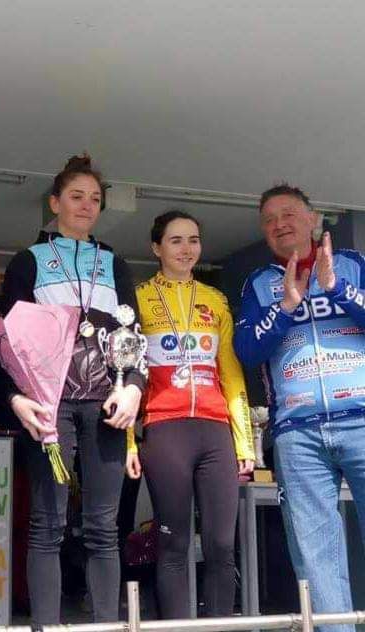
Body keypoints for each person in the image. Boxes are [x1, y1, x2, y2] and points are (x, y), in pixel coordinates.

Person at [0, 154, 145, 629]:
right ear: (55, 203)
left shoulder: (114, 263)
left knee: (104, 527)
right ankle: (45, 625)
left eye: (95, 199)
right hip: (51, 405)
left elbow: (132, 335)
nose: (86, 206)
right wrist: (18, 397)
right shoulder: (28, 261)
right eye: (76, 196)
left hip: (106, 402)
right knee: (48, 525)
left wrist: (133, 388)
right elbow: (8, 340)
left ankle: (104, 624)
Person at [234, 184, 365, 632]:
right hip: (297, 433)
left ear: (314, 219)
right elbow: (247, 350)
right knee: (315, 554)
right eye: (268, 220)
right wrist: (287, 306)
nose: (279, 224)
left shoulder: (353, 264)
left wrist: (336, 288)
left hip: (361, 420)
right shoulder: (258, 283)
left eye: (288, 213)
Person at [133, 210, 254, 619]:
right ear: (156, 247)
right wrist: (130, 441)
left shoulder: (215, 300)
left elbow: (231, 373)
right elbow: (127, 374)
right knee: (173, 544)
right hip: (165, 430)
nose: (187, 249)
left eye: (194, 240)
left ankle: (220, 626)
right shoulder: (138, 298)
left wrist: (244, 442)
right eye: (176, 240)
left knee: (221, 544)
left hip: (215, 432)